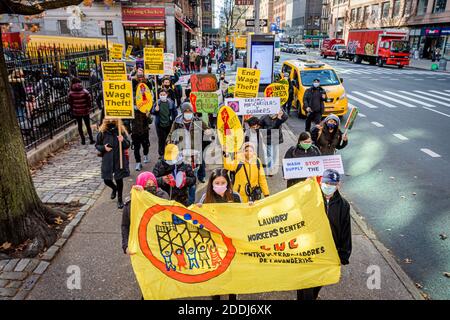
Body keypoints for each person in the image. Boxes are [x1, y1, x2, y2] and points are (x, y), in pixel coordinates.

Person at [297, 169, 352, 300]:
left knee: (318, 282)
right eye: (326, 183)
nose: (329, 187)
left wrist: (343, 254)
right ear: (320, 182)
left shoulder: (343, 205)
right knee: (305, 286)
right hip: (309, 249)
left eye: (333, 184)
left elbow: (345, 230)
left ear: (338, 185)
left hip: (328, 252)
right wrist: (305, 188)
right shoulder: (311, 199)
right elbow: (295, 205)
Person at [167, 102, 212, 204]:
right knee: (181, 178)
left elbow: (209, 131)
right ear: (183, 112)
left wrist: (208, 132)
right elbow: (170, 135)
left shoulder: (198, 122)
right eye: (186, 111)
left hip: (194, 156)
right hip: (181, 155)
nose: (188, 113)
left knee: (192, 180)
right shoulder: (177, 122)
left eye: (190, 111)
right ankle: (182, 201)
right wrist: (169, 143)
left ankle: (191, 202)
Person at [121, 172, 169, 255]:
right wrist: (126, 246)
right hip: (141, 242)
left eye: (153, 184)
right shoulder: (131, 203)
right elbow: (125, 225)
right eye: (147, 184)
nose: (150, 186)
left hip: (160, 241)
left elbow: (169, 214)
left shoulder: (162, 197)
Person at [95, 119, 130, 209]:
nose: (111, 120)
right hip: (108, 159)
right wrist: (104, 148)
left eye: (113, 118)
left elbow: (127, 145)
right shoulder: (103, 131)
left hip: (119, 159)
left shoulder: (120, 130)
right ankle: (114, 188)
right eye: (109, 118)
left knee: (119, 179)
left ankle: (120, 199)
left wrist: (122, 140)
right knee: (106, 179)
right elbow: (97, 145)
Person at [259, 110, 288, 176]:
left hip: (276, 139)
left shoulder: (279, 116)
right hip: (268, 139)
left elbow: (286, 117)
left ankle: (272, 167)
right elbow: (260, 127)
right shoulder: (264, 118)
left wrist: (281, 110)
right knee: (270, 155)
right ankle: (270, 169)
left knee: (274, 154)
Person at [151, 89, 178, 158]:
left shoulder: (171, 103)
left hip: (169, 124)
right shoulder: (157, 103)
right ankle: (161, 154)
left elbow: (175, 113)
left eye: (164, 95)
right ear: (159, 95)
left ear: (167, 95)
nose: (162, 96)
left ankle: (169, 153)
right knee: (161, 140)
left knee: (169, 139)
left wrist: (175, 122)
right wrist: (155, 110)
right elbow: (153, 112)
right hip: (160, 125)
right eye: (161, 95)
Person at [68, 78, 95, 145]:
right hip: (85, 111)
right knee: (88, 125)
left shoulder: (71, 93)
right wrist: (89, 107)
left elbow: (70, 103)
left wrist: (73, 108)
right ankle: (91, 139)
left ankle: (83, 140)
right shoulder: (85, 92)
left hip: (76, 112)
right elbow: (89, 101)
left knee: (79, 125)